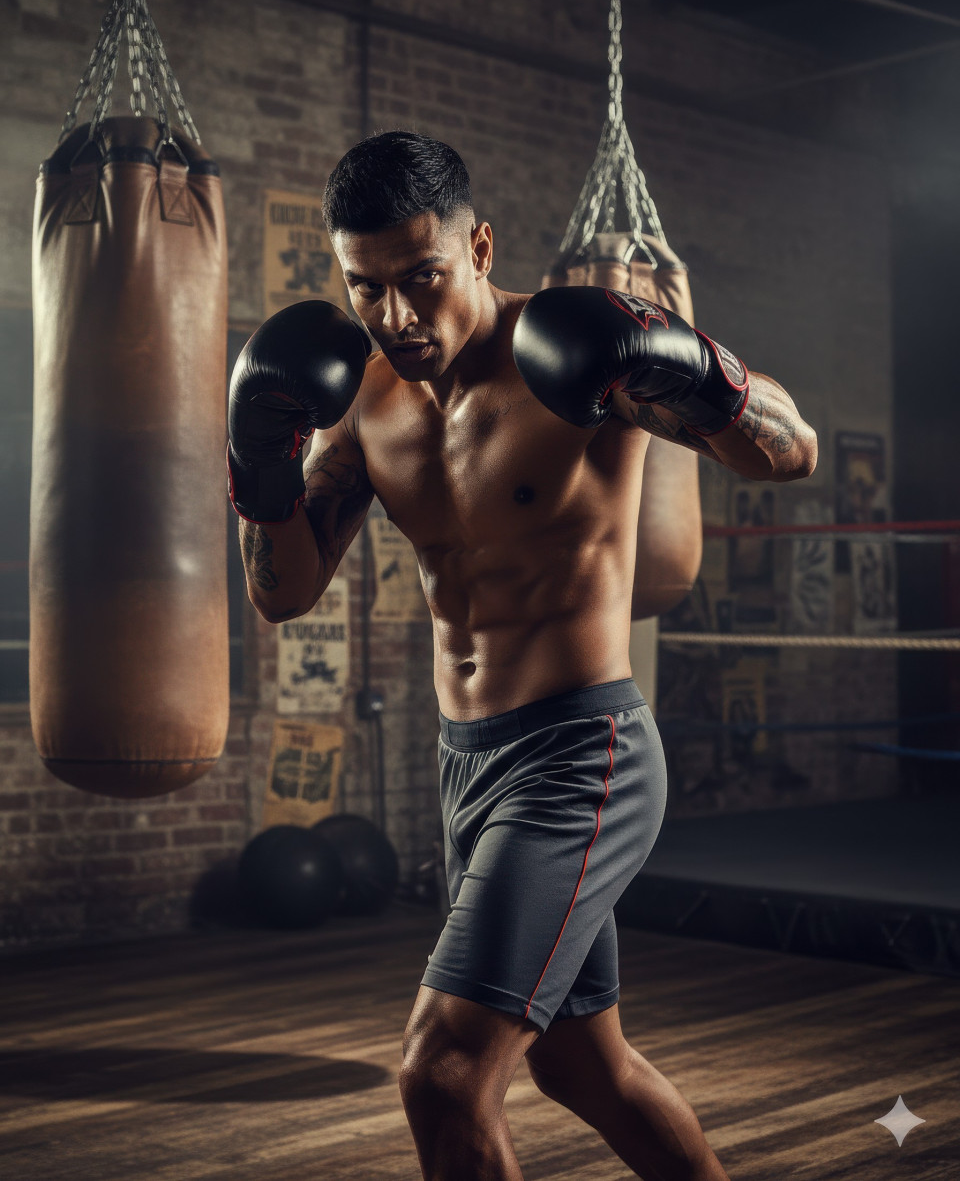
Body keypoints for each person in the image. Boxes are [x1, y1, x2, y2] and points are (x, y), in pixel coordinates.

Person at [227, 131, 817, 1181]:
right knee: (586, 1069)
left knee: (443, 1074)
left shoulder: (571, 362)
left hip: (582, 757)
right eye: (368, 289)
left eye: (423, 279)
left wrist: (693, 363)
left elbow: (792, 451)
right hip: (470, 765)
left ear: (481, 247)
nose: (398, 317)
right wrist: (258, 470)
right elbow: (285, 591)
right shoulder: (362, 399)